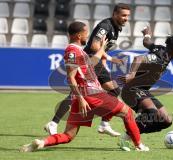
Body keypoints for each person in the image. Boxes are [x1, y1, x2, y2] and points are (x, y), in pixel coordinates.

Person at [20, 21, 149, 152]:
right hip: (91, 94)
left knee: (68, 135)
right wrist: (81, 99)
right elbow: (70, 77)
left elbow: (91, 63)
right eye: (86, 34)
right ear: (79, 36)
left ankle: (41, 143)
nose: (88, 37)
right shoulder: (72, 51)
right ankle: (139, 146)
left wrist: (102, 48)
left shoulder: (78, 51)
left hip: (84, 97)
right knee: (127, 112)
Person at [44, 3, 131, 137]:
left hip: (97, 64)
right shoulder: (105, 26)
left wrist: (104, 63)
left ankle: (104, 124)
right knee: (76, 95)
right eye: (123, 15)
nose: (126, 18)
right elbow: (95, 46)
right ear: (115, 14)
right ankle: (53, 123)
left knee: (114, 89)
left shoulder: (116, 28)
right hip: (89, 62)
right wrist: (110, 59)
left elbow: (103, 48)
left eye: (127, 16)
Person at [118, 26, 173, 151]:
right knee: (151, 112)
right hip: (132, 89)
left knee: (166, 121)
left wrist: (146, 34)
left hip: (143, 90)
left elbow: (147, 43)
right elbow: (139, 58)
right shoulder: (160, 57)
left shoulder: (160, 49)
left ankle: (131, 132)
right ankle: (127, 137)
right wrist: (132, 74)